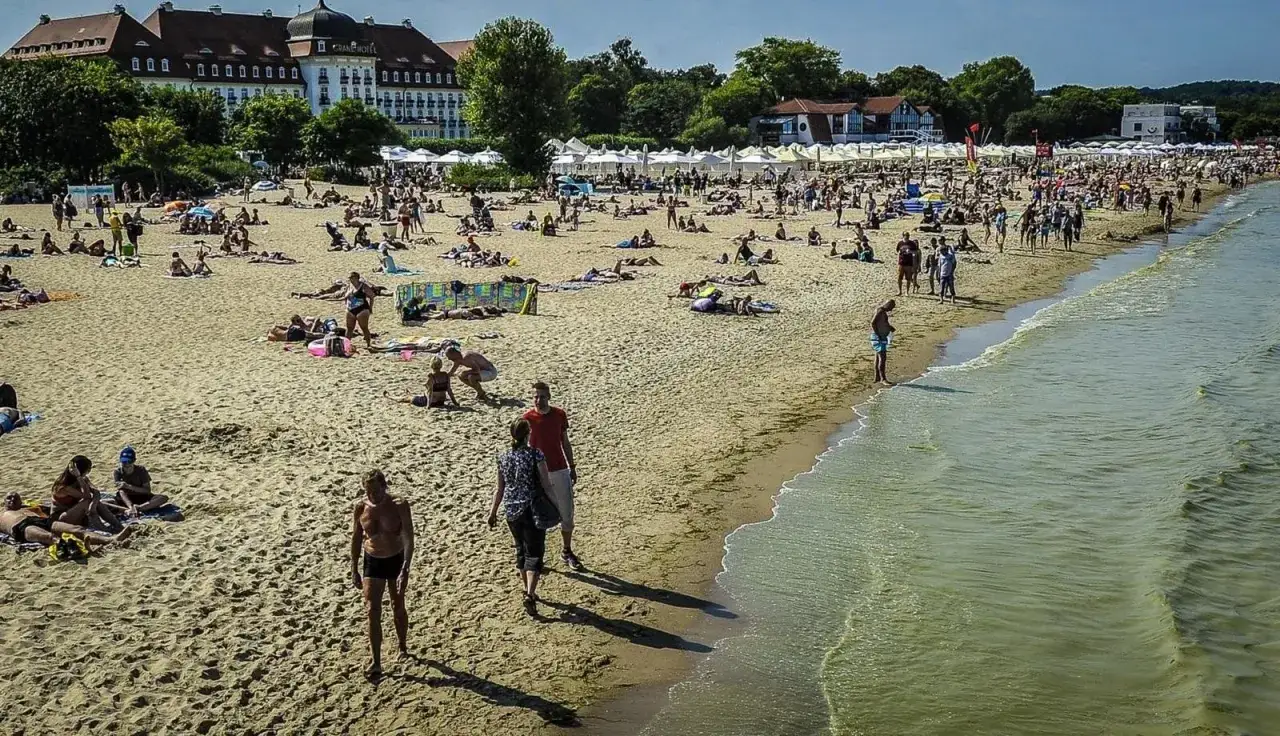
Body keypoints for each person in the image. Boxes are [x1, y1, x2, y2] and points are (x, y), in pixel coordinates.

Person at [488, 419, 556, 617]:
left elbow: (500, 488)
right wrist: (557, 505)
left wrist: (493, 512)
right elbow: (547, 484)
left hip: (511, 510)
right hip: (531, 508)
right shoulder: (535, 454)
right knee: (534, 552)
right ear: (528, 434)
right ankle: (530, 594)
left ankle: (527, 588)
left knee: (520, 549)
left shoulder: (503, 457)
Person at [350, 469, 413, 678]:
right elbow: (357, 538)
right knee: (372, 610)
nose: (373, 496)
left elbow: (408, 538)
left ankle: (403, 646)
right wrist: (354, 568)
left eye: (376, 491)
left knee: (397, 605)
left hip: (395, 558)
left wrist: (406, 566)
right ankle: (376, 661)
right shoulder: (361, 508)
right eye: (368, 492)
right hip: (372, 560)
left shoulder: (399, 505)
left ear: (384, 487)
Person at [523, 382, 581, 571]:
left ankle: (567, 550)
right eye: (536, 396)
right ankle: (537, 557)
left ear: (549, 397)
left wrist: (572, 466)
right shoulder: (527, 419)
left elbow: (565, 441)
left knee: (566, 513)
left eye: (542, 396)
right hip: (539, 474)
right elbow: (524, 449)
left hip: (559, 470)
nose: (538, 400)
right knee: (538, 517)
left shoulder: (559, 415)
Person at [1, 492, 134, 549]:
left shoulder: (32, 506)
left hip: (43, 521)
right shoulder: (2, 514)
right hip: (21, 526)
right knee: (49, 537)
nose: (12, 500)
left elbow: (55, 508)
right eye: (9, 498)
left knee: (78, 530)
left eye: (16, 498)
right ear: (3, 501)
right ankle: (77, 548)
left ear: (21, 500)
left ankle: (111, 540)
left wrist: (121, 508)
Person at [50, 455, 123, 532]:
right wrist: (79, 477)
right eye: (88, 470)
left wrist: (94, 504)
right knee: (87, 502)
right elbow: (87, 496)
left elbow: (96, 491)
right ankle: (104, 529)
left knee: (96, 502)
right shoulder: (62, 486)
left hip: (75, 512)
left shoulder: (83, 479)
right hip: (61, 518)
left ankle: (118, 525)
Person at [109, 446, 172, 518]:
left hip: (142, 497)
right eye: (124, 461)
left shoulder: (141, 470)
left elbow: (147, 490)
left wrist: (129, 486)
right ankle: (131, 509)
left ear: (134, 461)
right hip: (126, 499)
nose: (126, 464)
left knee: (163, 498)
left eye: (129, 461)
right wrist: (130, 506)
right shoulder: (117, 472)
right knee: (104, 503)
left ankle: (139, 508)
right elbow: (122, 492)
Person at [342, 272, 377, 349]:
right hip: (350, 309)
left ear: (356, 278)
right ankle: (346, 345)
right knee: (349, 328)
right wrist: (346, 306)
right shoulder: (349, 286)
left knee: (364, 328)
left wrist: (370, 307)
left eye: (352, 278)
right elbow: (345, 297)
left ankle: (368, 344)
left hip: (362, 309)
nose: (350, 280)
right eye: (349, 278)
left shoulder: (363, 286)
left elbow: (372, 296)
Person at [871, 300, 896, 386]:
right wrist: (878, 335)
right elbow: (873, 323)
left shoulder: (882, 312)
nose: (891, 310)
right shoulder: (880, 311)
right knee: (882, 357)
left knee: (878, 357)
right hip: (878, 337)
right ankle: (883, 379)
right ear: (888, 305)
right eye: (891, 308)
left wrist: (890, 327)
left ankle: (877, 377)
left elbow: (883, 323)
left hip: (881, 336)